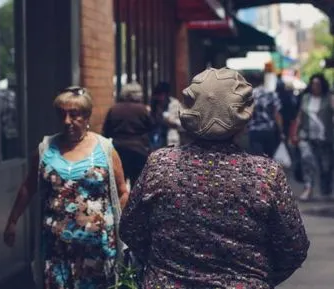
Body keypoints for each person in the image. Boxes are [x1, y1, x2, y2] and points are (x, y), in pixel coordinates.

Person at [120, 68, 309, 289]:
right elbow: (293, 247)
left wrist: (162, 264)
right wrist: (256, 278)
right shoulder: (265, 174)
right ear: (243, 121)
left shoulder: (160, 165)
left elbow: (131, 230)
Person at [3, 86, 129, 289]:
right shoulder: (46, 148)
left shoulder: (105, 149)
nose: (67, 121)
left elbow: (122, 191)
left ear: (87, 116)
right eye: (62, 114)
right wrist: (12, 221)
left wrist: (126, 229)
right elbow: (28, 186)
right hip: (56, 251)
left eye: (74, 115)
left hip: (97, 252)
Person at [291, 73, 334, 201]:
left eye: (318, 84)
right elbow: (300, 116)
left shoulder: (329, 98)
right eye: (313, 84)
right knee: (307, 160)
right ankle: (308, 188)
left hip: (324, 138)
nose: (315, 86)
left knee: (326, 166)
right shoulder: (306, 98)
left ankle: (326, 188)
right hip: (306, 136)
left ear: (322, 85)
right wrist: (295, 133)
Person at [103, 82, 153, 186]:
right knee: (137, 184)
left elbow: (106, 131)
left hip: (118, 150)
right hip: (139, 150)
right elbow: (152, 127)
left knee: (119, 184)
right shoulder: (142, 109)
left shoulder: (114, 109)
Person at [247, 71, 284, 157]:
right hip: (269, 131)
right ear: (263, 81)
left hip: (254, 131)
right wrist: (281, 131)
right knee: (269, 158)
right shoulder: (271, 93)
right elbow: (277, 114)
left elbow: (247, 113)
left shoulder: (250, 95)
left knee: (257, 159)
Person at [150, 82, 185, 149]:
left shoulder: (174, 104)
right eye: (158, 95)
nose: (159, 98)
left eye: (161, 95)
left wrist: (164, 115)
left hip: (171, 138)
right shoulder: (155, 104)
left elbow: (179, 123)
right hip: (157, 139)